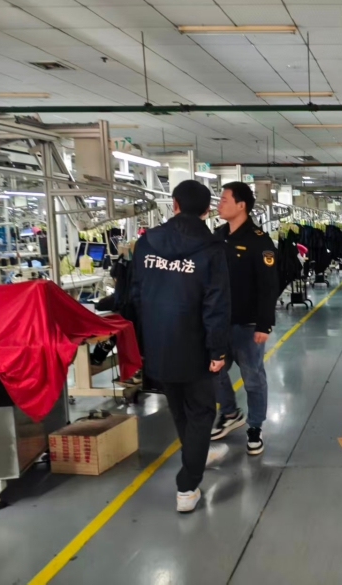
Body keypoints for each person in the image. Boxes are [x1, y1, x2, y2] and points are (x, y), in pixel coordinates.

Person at [131, 180, 230, 513]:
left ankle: (195, 452)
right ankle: (187, 486)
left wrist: (143, 340)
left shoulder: (146, 243)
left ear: (173, 204)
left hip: (158, 343)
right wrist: (217, 350)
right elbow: (216, 304)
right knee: (201, 411)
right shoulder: (212, 248)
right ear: (207, 210)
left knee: (178, 407)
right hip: (195, 345)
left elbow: (135, 294)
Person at [210, 182, 279, 456]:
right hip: (219, 322)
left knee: (253, 378)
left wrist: (265, 323)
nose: (219, 204)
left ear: (241, 206)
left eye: (224, 200)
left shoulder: (259, 240)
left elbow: (269, 285)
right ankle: (229, 412)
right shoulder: (217, 236)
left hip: (248, 324)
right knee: (213, 370)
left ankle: (255, 427)